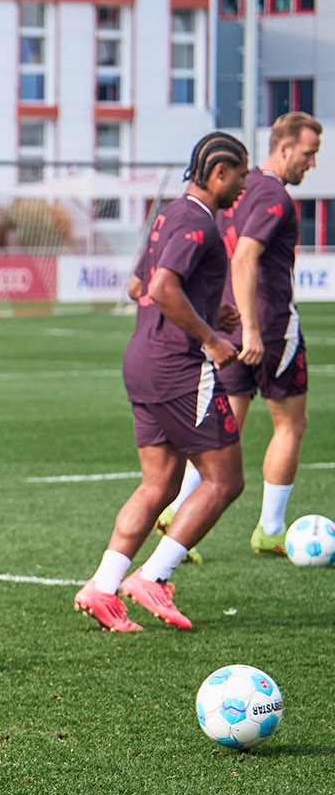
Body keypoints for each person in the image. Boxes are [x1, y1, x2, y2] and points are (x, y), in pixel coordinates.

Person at [74, 132, 249, 632]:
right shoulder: (199, 223)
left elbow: (138, 286)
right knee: (224, 480)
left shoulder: (170, 214)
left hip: (143, 361)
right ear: (219, 173)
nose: (241, 186)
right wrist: (211, 338)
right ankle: (153, 576)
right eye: (239, 174)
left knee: (161, 483)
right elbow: (160, 287)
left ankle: (102, 587)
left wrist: (210, 309)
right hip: (180, 366)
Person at [157, 112, 319, 556]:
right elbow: (245, 259)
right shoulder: (272, 197)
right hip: (266, 328)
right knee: (291, 423)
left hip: (228, 327)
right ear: (283, 149)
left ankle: (176, 514)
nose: (313, 163)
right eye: (308, 153)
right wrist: (252, 329)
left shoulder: (236, 195)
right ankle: (270, 529)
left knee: (224, 433)